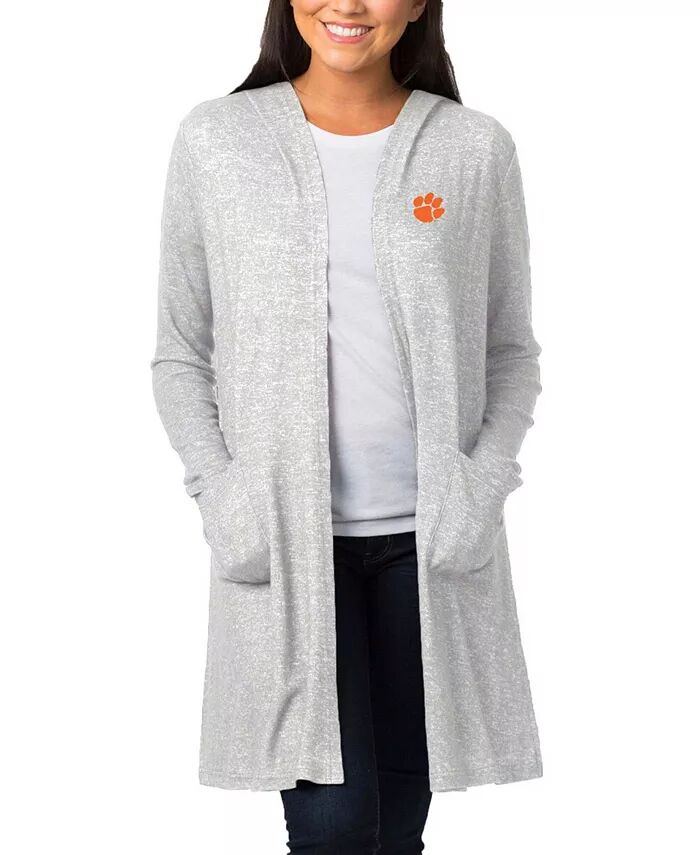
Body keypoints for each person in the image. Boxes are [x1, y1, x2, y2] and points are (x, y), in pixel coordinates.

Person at [151, 1, 543, 853]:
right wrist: (223, 497)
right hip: (286, 548)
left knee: (396, 828)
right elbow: (181, 353)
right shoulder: (219, 142)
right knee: (333, 827)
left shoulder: (473, 149)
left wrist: (480, 488)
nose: (350, 4)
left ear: (419, 4)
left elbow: (511, 351)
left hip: (428, 550)